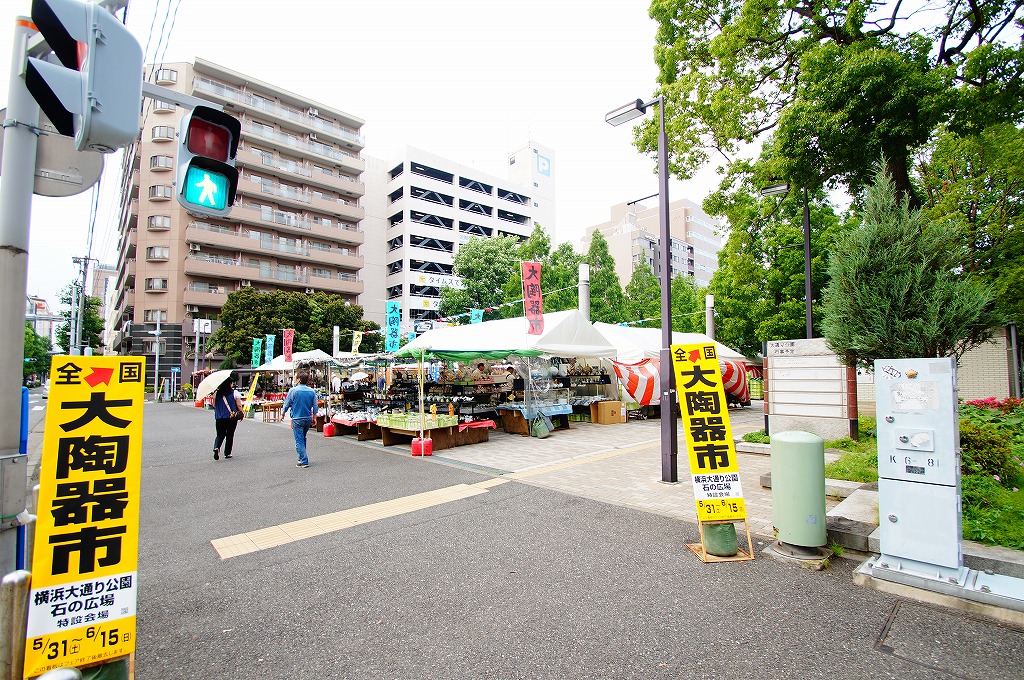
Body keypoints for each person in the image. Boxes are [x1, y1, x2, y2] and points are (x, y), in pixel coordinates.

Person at [283, 371, 317, 468]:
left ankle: (303, 460)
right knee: (303, 438)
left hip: (297, 417)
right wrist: (314, 417)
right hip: (307, 417)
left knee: (299, 440)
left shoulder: (293, 391)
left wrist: (282, 414)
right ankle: (301, 457)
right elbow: (315, 406)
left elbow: (286, 403)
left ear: (298, 379)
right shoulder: (311, 391)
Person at [213, 373, 244, 461]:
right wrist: (241, 413)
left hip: (219, 417)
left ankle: (216, 447)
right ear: (229, 384)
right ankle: (227, 453)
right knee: (230, 435)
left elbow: (214, 405)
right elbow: (239, 405)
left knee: (220, 434)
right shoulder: (234, 393)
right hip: (231, 417)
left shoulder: (216, 393)